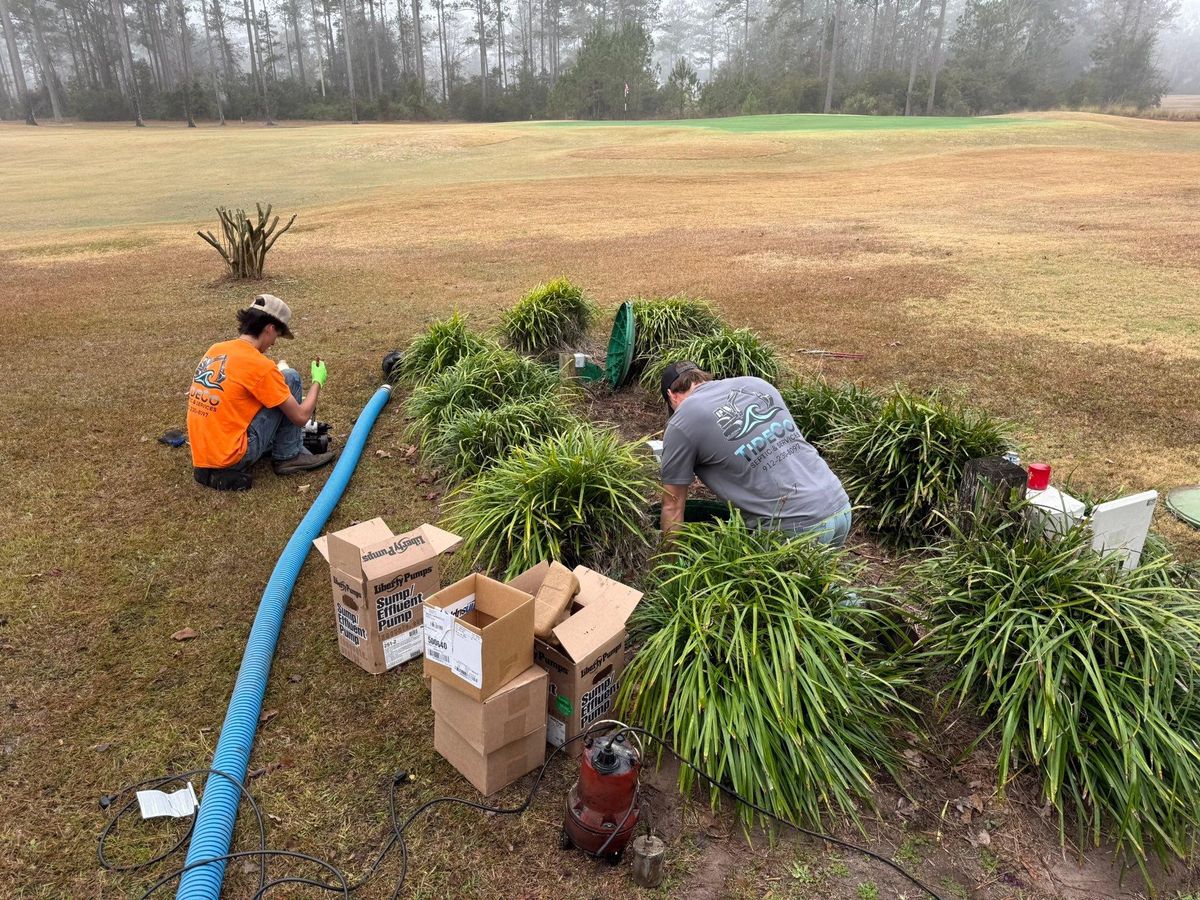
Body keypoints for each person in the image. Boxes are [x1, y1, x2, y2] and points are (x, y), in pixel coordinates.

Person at [657, 361, 852, 545]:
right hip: (839, 506)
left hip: (794, 529)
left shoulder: (682, 420)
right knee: (818, 581)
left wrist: (669, 570)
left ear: (672, 395)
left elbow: (672, 507)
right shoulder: (756, 384)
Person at [187, 294, 336, 491]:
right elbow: (301, 417)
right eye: (277, 336)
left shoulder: (216, 349)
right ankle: (289, 456)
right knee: (291, 377)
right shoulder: (260, 365)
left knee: (282, 383)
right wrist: (318, 381)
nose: (274, 343)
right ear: (270, 328)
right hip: (232, 457)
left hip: (202, 454)